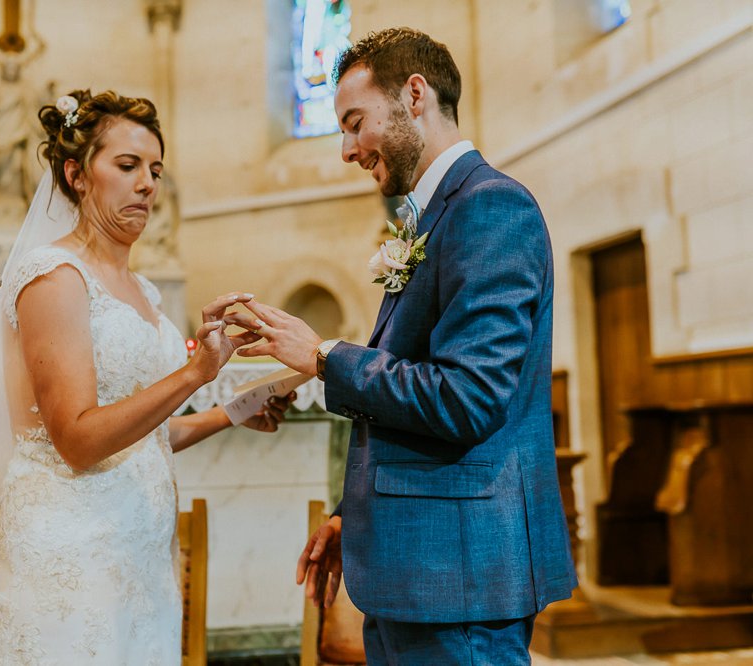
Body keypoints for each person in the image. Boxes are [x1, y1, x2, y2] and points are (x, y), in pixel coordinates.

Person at [230, 28, 577, 664]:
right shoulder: (434, 216)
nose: (345, 149)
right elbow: (411, 388)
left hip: (460, 579)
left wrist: (322, 357)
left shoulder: (491, 207)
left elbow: (468, 398)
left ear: (414, 95)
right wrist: (350, 514)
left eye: (354, 122)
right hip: (415, 569)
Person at [0, 89, 294, 665]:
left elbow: (143, 439)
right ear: (77, 175)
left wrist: (233, 410)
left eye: (155, 170)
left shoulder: (146, 293)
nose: (148, 183)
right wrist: (195, 374)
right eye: (127, 166)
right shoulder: (52, 277)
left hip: (138, 560)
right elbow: (79, 440)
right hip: (68, 558)